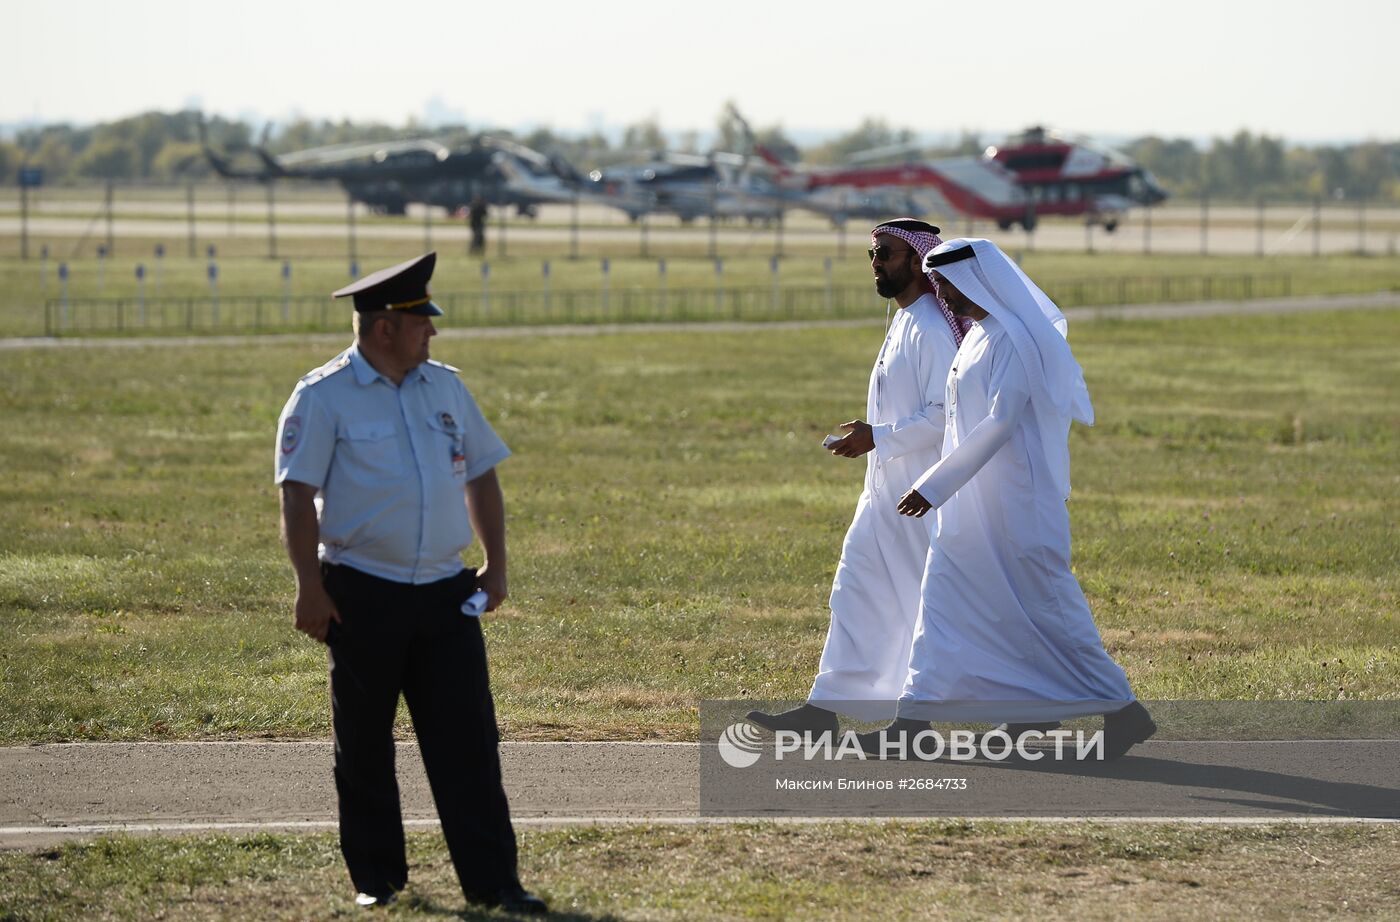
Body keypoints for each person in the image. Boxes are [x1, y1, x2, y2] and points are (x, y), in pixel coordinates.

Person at [275, 252, 546, 913]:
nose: (434, 332)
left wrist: (497, 564)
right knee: (364, 743)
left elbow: (481, 472)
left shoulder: (445, 388)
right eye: (421, 322)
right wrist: (309, 586)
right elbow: (296, 492)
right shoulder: (322, 394)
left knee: (470, 744)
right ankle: (377, 879)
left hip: (445, 591)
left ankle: (494, 883)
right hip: (362, 590)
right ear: (384, 329)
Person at [865, 237, 1154, 760]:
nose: (941, 293)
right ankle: (913, 720)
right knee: (943, 606)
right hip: (968, 511)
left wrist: (932, 485)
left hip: (1016, 506)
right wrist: (944, 491)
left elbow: (998, 424)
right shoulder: (978, 337)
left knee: (1049, 612)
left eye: (949, 283)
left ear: (977, 280)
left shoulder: (1014, 340)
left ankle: (1124, 712)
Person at [748, 219, 969, 733]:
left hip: (919, 497)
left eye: (887, 254)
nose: (876, 264)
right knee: (854, 593)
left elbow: (945, 414)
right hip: (882, 497)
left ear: (918, 260)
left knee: (923, 609)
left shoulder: (934, 328)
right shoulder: (905, 319)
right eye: (872, 254)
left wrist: (879, 436)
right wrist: (876, 438)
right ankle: (824, 708)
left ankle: (920, 721)